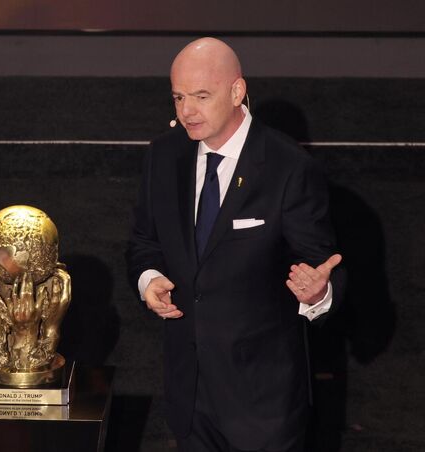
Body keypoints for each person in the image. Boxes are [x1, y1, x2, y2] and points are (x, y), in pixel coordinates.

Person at [126, 37, 346, 451]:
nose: (186, 111)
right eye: (178, 97)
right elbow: (143, 242)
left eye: (201, 96)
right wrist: (148, 279)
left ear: (237, 91)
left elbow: (320, 264)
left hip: (262, 407)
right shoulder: (163, 155)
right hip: (189, 399)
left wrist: (317, 293)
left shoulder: (288, 167)